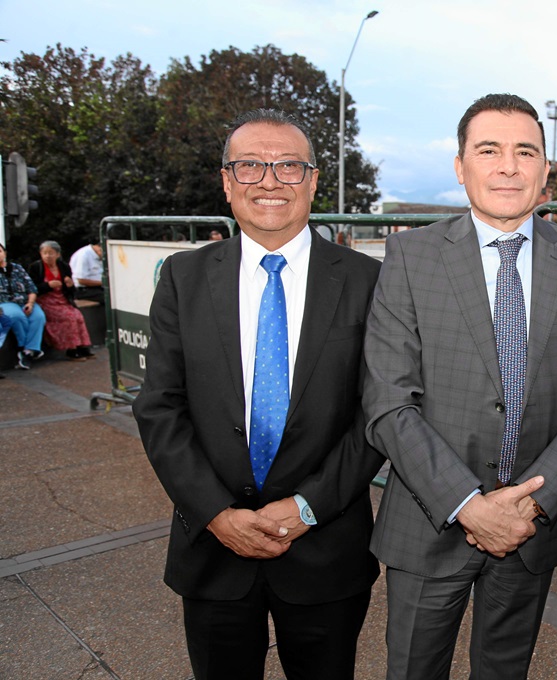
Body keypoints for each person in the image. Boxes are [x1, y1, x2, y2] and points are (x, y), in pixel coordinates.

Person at [363, 93, 557, 679]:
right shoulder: (410, 255)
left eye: (525, 151)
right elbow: (387, 401)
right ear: (461, 166)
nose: (508, 165)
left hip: (531, 528)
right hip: (430, 521)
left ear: (545, 170)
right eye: (489, 149)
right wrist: (469, 506)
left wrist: (530, 502)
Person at [132, 108, 384, 680]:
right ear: (226, 181)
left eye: (288, 166)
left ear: (314, 180)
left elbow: (376, 414)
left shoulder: (369, 281)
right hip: (212, 549)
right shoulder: (182, 277)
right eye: (250, 166)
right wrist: (217, 514)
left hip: (326, 549)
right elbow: (159, 408)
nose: (269, 181)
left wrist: (305, 508)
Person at [28, 240, 94, 361]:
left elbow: (71, 290)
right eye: (45, 253)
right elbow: (32, 288)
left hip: (62, 299)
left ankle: (82, 346)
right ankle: (71, 349)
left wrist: (69, 285)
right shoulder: (36, 267)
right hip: (45, 301)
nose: (48, 256)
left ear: (57, 254)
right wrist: (48, 285)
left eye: (51, 253)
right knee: (68, 317)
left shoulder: (63, 266)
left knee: (78, 316)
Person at [0, 242, 47, 370]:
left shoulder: (17, 268)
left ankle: (28, 351)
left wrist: (30, 303)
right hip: (5, 302)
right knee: (16, 316)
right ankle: (26, 347)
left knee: (38, 317)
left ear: (4, 253)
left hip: (24, 300)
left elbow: (31, 288)